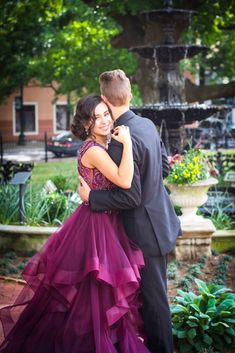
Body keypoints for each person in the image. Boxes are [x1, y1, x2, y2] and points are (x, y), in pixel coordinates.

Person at [0, 94, 151, 353]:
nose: (104, 120)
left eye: (106, 114)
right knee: (94, 294)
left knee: (100, 295)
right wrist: (126, 143)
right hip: (95, 227)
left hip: (106, 223)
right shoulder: (92, 150)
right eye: (96, 117)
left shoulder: (102, 145)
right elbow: (124, 181)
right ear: (85, 124)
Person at [78, 70, 182, 353]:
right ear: (130, 94)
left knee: (154, 302)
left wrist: (93, 198)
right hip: (159, 223)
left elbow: (131, 196)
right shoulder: (147, 124)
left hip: (143, 233)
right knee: (153, 298)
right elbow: (164, 165)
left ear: (104, 99)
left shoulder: (120, 140)